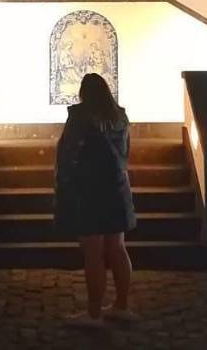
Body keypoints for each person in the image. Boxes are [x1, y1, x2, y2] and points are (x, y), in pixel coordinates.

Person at [55, 73, 138, 328]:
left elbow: (69, 154)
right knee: (117, 248)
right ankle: (122, 305)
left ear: (83, 93)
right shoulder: (120, 117)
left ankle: (93, 313)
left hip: (88, 190)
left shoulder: (80, 117)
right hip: (117, 187)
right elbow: (126, 152)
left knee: (93, 253)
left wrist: (62, 185)